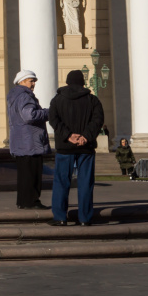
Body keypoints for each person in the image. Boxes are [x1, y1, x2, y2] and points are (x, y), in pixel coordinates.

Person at [47, 69, 104, 227]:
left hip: (65, 147)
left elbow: (53, 120)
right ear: (82, 82)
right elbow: (98, 120)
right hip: (86, 148)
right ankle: (85, 218)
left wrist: (68, 136)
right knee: (85, 183)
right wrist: (85, 136)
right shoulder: (93, 100)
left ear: (67, 82)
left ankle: (60, 217)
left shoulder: (57, 100)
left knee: (61, 182)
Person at [6, 69, 49, 210]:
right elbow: (29, 115)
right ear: (22, 81)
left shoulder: (14, 96)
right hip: (31, 142)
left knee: (24, 175)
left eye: (34, 81)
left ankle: (23, 202)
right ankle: (32, 201)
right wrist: (47, 112)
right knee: (33, 174)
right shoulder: (25, 96)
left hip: (20, 142)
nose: (34, 84)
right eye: (31, 80)